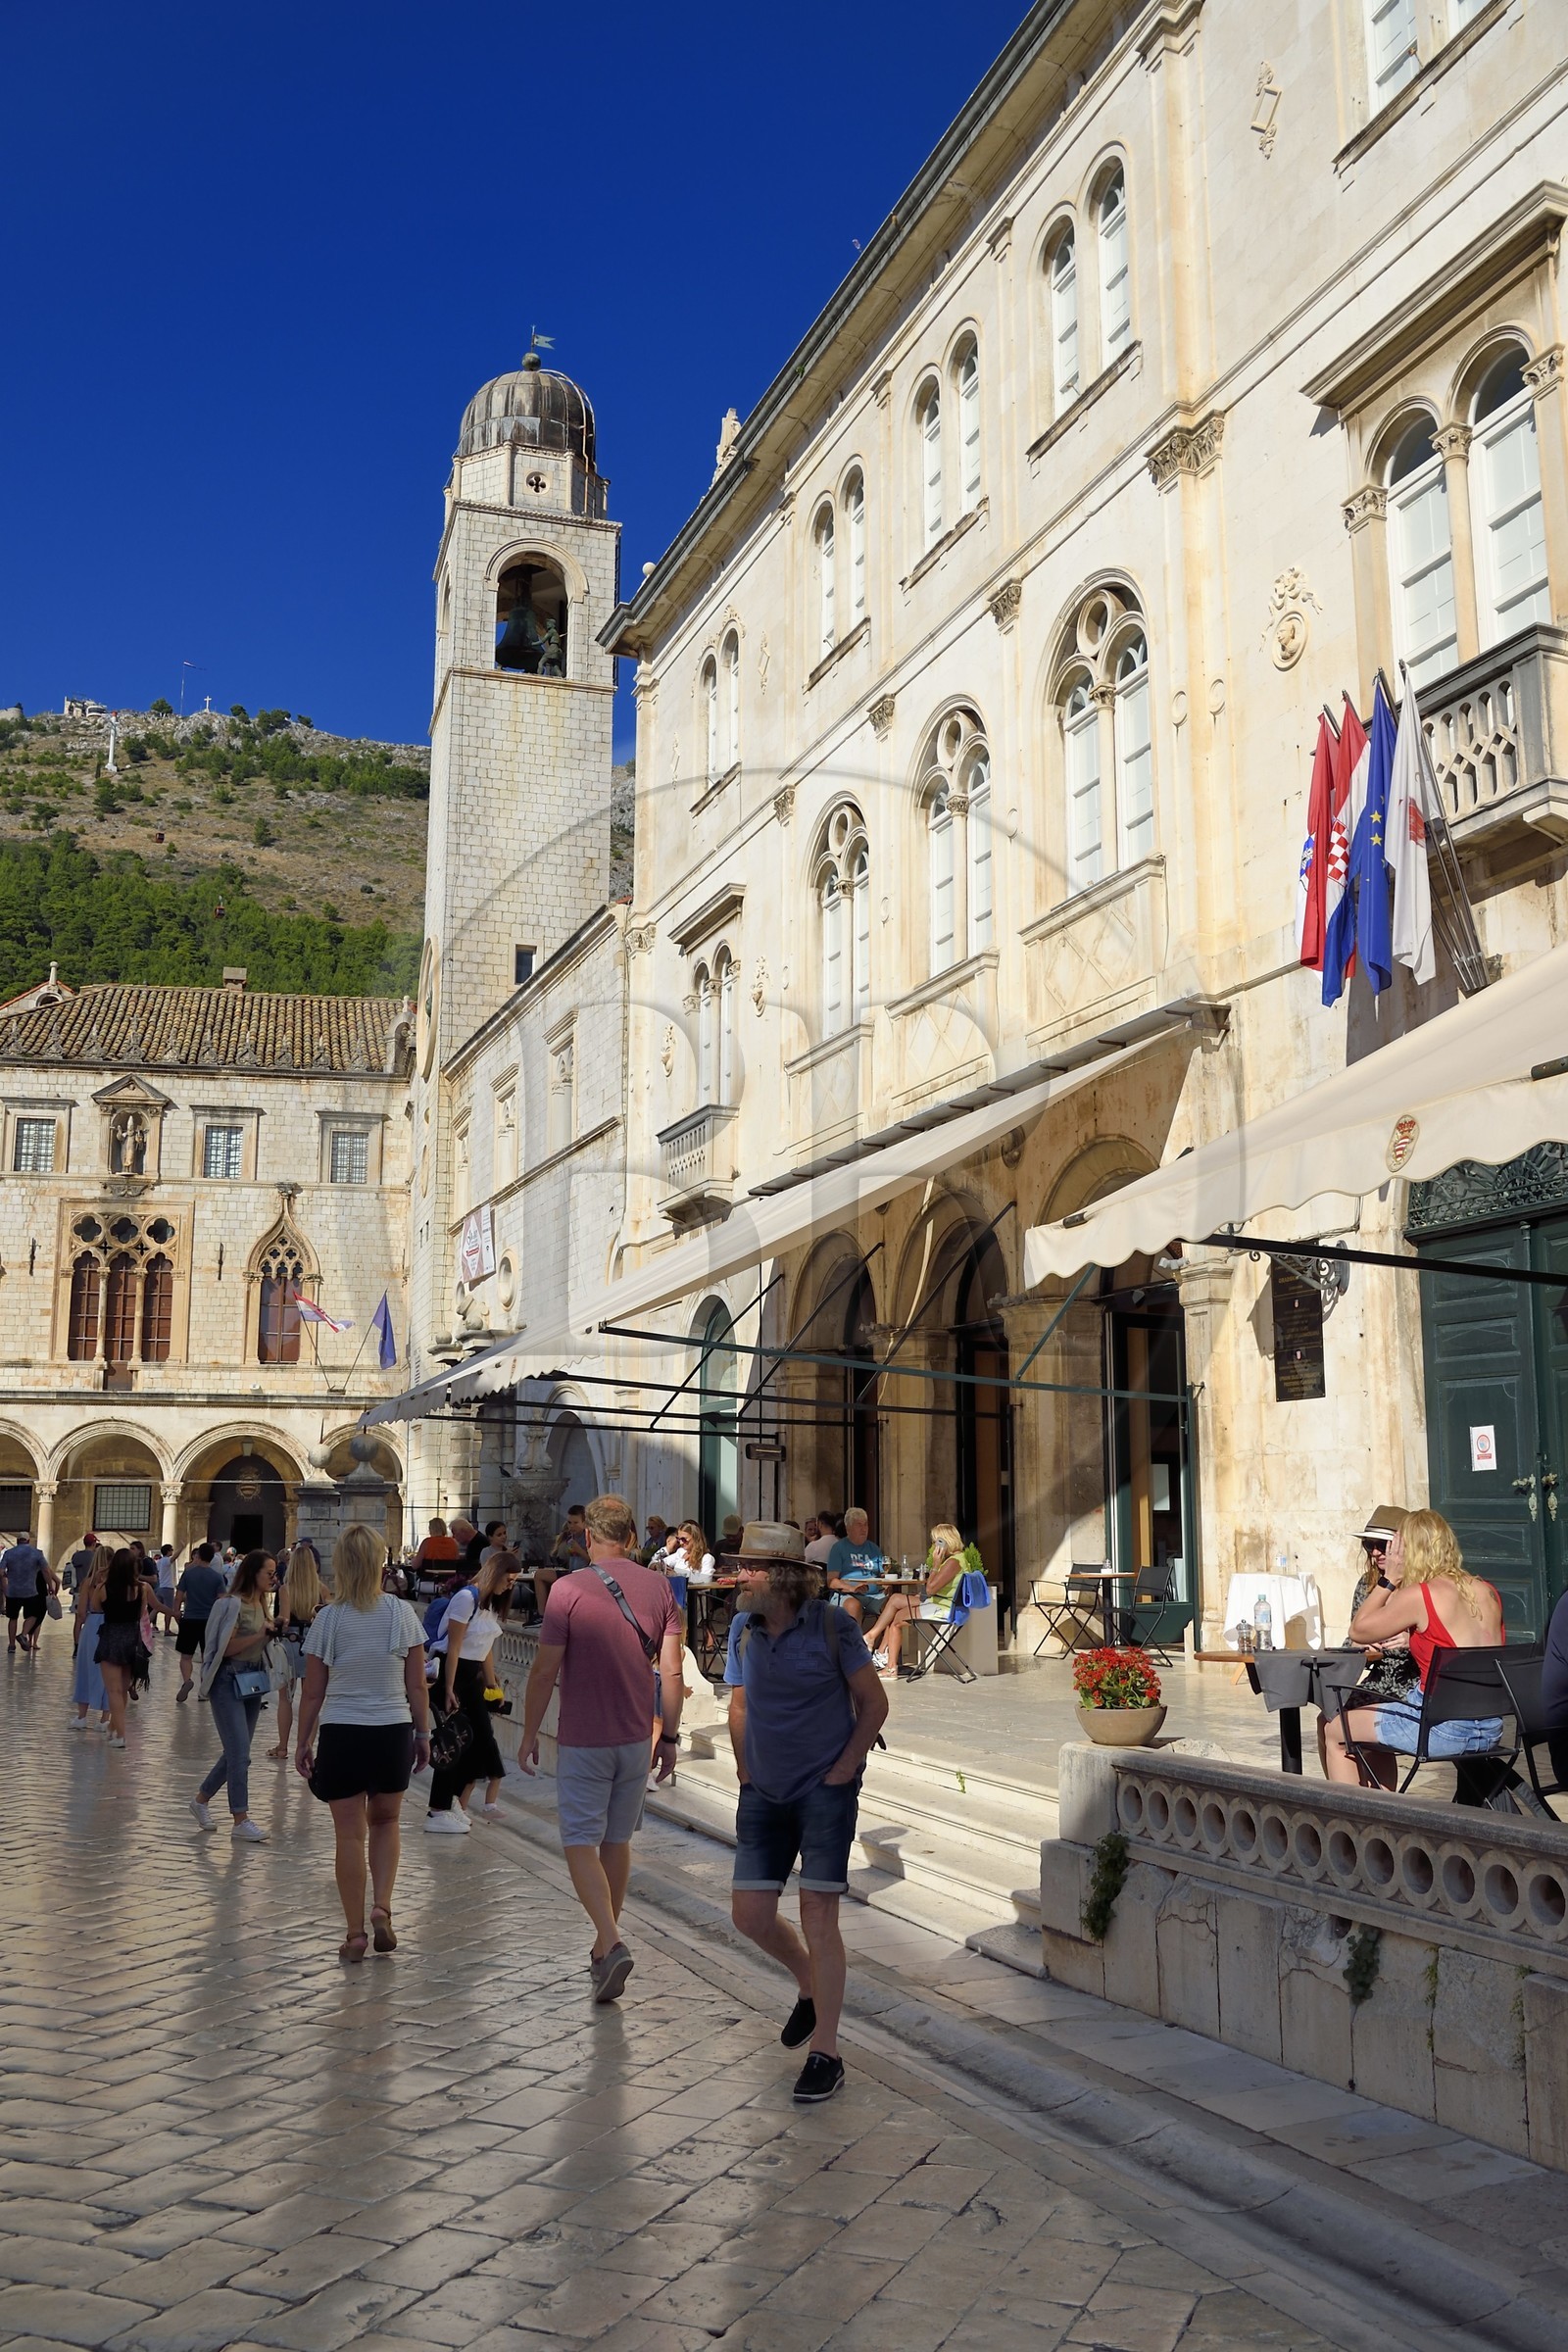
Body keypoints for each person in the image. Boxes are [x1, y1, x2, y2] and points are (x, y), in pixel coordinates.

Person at [723, 1521, 888, 2103]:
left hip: (824, 1789)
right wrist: (745, 1772)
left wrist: (844, 1770)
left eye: (750, 1567)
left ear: (784, 1575)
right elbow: (738, 1706)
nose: (738, 1575)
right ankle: (808, 1985)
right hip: (763, 1791)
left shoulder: (833, 1625)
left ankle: (827, 2051)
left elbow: (874, 1702)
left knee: (818, 1914)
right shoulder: (743, 1627)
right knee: (749, 1914)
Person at [517, 1494, 683, 2001]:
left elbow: (545, 1670)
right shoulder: (661, 1589)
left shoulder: (566, 1590)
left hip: (585, 1736)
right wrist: (671, 1736)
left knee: (578, 1841)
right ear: (632, 1537)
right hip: (637, 1735)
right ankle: (600, 1948)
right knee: (616, 1842)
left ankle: (610, 1942)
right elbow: (672, 1671)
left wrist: (527, 1733)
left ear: (587, 1537)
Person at [294, 1524, 431, 1960]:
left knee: (348, 1836)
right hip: (392, 1731)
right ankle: (382, 1907)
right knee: (386, 1823)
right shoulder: (400, 1613)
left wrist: (302, 1742)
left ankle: (354, 1934)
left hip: (343, 1732)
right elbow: (417, 1687)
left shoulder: (328, 1619)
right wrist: (423, 1733)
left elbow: (313, 1691)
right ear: (377, 1564)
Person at [1324, 1511, 1505, 1789]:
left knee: (1336, 1731)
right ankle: (1382, 1811)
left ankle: (1358, 1822)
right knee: (1374, 1716)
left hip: (1443, 1728)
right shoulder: (1486, 1590)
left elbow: (1358, 1630)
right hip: (1490, 1728)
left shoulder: (1421, 1594)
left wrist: (1389, 1579)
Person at [425, 1551, 520, 1832]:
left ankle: (452, 1799)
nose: (511, 1585)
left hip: (472, 1676)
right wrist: (450, 1689)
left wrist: (491, 1685)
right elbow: (453, 1647)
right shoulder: (466, 1599)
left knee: (479, 1740)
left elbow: (485, 1649)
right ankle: (437, 1809)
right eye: (509, 1579)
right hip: (452, 1674)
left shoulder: (488, 1604)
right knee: (453, 1742)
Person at [191, 1550, 279, 1840]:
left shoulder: (263, 1604)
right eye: (268, 1572)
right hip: (228, 1680)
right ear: (252, 1573)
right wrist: (260, 1635)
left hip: (253, 1680)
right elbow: (222, 1649)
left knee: (237, 1754)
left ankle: (200, 1800)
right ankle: (240, 1818)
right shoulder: (231, 1605)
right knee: (240, 1753)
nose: (272, 1578)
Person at [863, 1522, 978, 1676]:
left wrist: (936, 1565)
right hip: (939, 1601)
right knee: (895, 1599)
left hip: (944, 1608)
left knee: (897, 1620)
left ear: (944, 1542)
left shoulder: (953, 1563)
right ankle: (875, 1641)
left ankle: (890, 1667)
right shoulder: (957, 1559)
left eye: (935, 1541)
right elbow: (934, 1590)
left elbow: (930, 1589)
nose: (932, 1545)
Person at [268, 1543, 324, 1760]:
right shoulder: (321, 1589)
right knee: (311, 1697)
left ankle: (282, 1747)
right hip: (313, 1644)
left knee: (285, 1698)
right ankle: (308, 1745)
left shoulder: (286, 1589)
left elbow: (285, 1619)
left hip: (290, 1643)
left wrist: (272, 1623)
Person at [95, 1547, 151, 1744]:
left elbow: (95, 1607)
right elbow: (141, 1612)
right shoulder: (141, 1588)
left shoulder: (103, 1588)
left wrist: (101, 1576)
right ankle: (113, 1728)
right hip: (131, 1639)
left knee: (113, 1691)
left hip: (111, 1638)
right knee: (123, 1688)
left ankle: (121, 1735)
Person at [173, 1543, 225, 1701]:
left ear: (199, 1555)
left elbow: (179, 1595)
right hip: (209, 1620)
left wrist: (176, 1613)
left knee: (186, 1655)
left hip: (190, 1618)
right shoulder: (217, 1577)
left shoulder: (188, 1574)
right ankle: (204, 1690)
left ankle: (187, 1680)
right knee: (206, 1656)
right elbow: (222, 1600)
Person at [70, 1548, 111, 1730]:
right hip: (110, 1624)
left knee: (85, 1669)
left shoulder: (88, 1582)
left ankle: (82, 1716)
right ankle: (105, 1718)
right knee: (109, 1670)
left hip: (92, 1623)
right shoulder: (115, 1583)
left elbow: (81, 1613)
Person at [823, 1507, 887, 1626]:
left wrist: (887, 1584)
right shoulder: (838, 1548)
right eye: (859, 1525)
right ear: (848, 1528)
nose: (864, 1529)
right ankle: (854, 1643)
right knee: (854, 1606)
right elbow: (831, 1581)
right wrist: (852, 1588)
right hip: (847, 1594)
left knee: (891, 1608)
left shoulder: (874, 1548)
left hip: (874, 1596)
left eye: (866, 1525)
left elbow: (883, 1575)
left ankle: (874, 1641)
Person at [2, 1529, 56, 1656]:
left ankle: (11, 1645)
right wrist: (50, 1585)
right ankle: (23, 1634)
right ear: (28, 1541)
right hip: (30, 1591)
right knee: (34, 1614)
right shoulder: (37, 1553)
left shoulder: (8, 1553)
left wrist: (7, 1576)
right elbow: (46, 1571)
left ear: (17, 1541)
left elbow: (0, 1572)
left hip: (13, 1591)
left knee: (12, 1618)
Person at [152, 1544, 179, 1634]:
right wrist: (181, 1548)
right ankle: (167, 1629)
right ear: (168, 1551)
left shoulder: (159, 1562)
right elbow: (174, 1558)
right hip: (167, 1588)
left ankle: (147, 1625)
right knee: (168, 1609)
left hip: (160, 1587)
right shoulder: (166, 1560)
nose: (172, 1551)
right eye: (171, 1550)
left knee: (156, 1608)